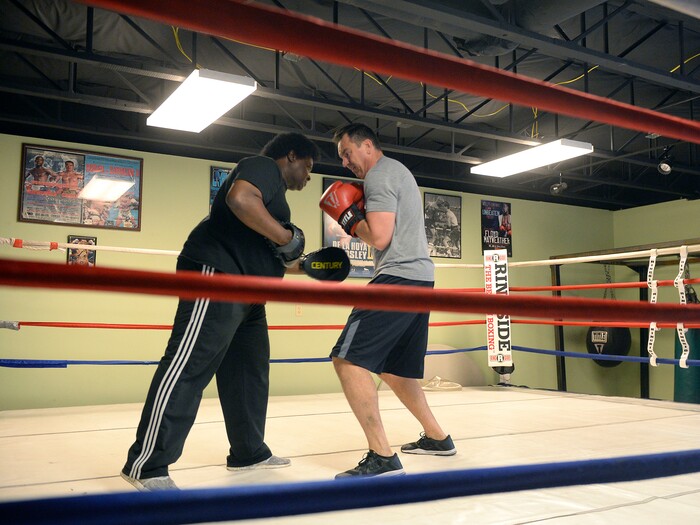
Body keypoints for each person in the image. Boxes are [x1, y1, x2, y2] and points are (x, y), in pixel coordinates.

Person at [121, 132, 320, 491]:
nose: (308, 177)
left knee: (249, 372)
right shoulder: (261, 167)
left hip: (250, 292)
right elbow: (240, 199)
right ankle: (147, 465)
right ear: (290, 156)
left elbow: (270, 252)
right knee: (189, 365)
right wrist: (286, 238)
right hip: (218, 277)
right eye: (307, 168)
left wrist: (309, 265)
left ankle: (249, 452)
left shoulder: (274, 206)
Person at [320, 123, 455, 479]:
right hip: (421, 279)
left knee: (347, 359)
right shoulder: (398, 171)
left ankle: (382, 456)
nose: (346, 162)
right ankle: (439, 438)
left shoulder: (379, 176)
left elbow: (379, 237)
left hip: (397, 278)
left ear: (367, 145)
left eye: (348, 153)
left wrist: (349, 220)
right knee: (395, 370)